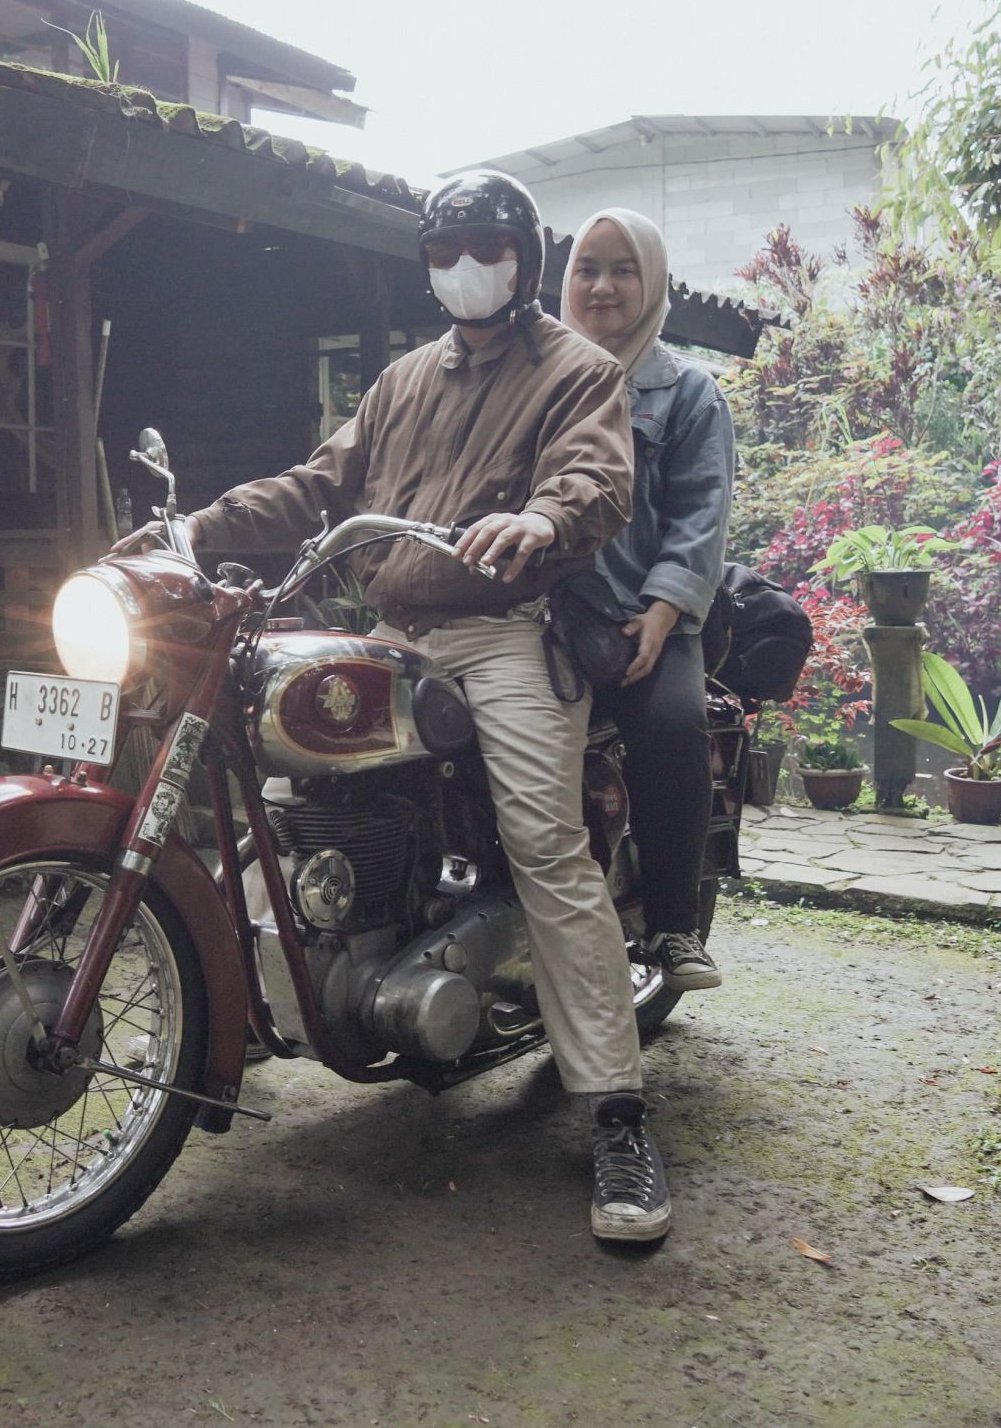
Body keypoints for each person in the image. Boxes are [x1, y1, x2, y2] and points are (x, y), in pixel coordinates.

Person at [122, 170, 673, 1243]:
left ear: (524, 258)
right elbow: (316, 485)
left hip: (507, 631)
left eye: (488, 247)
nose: (467, 266)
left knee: (545, 843)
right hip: (397, 633)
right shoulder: (402, 382)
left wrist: (541, 523)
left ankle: (617, 1111)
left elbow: (595, 481)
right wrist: (196, 531)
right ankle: (261, 1003)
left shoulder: (579, 370)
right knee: (276, 801)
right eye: (446, 250)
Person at [560, 208, 736, 991]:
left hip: (644, 616)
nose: (602, 286)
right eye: (587, 268)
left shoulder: (688, 392)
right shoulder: (536, 379)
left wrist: (663, 612)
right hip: (543, 616)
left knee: (670, 727)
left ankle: (671, 926)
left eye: (622, 270)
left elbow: (702, 514)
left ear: (653, 282)